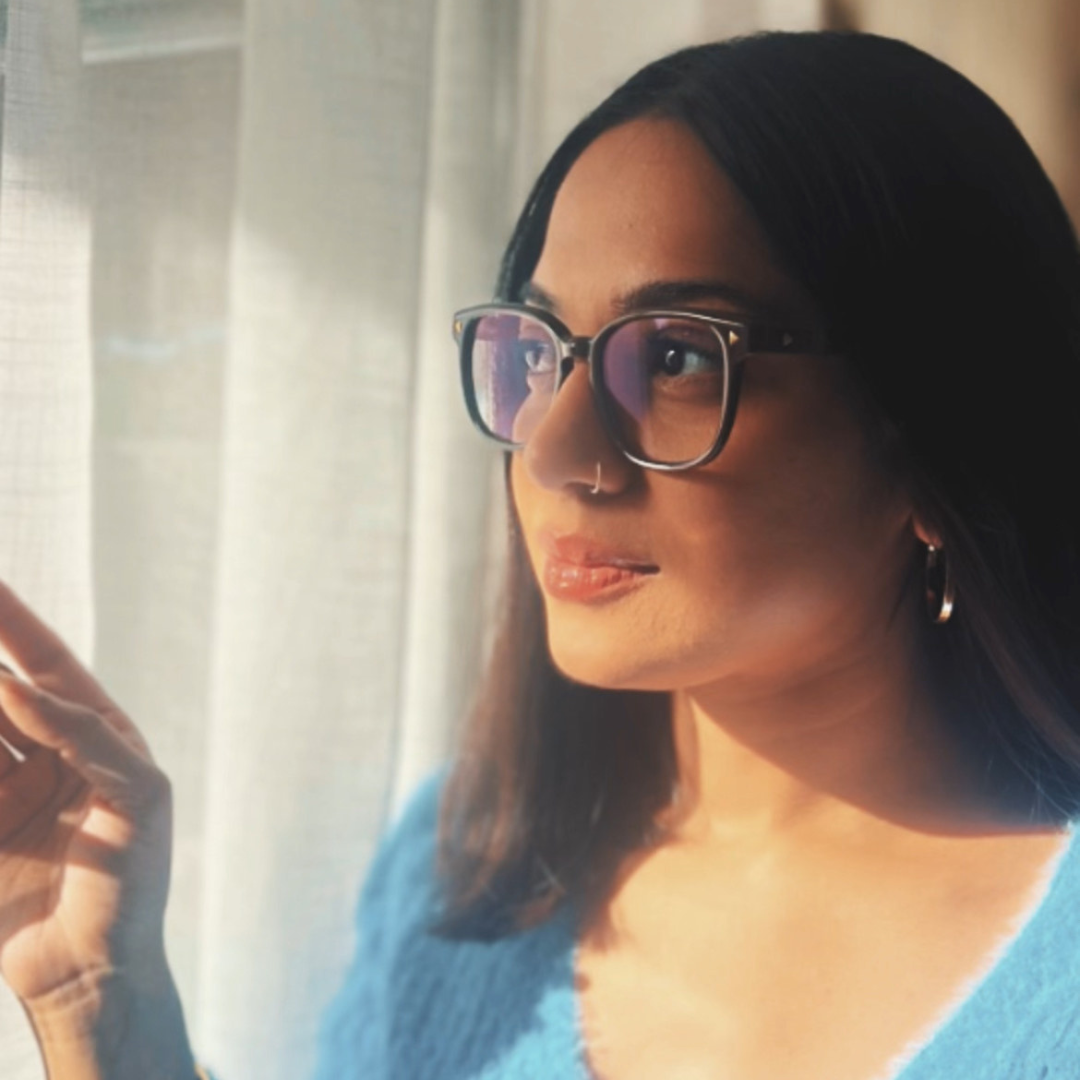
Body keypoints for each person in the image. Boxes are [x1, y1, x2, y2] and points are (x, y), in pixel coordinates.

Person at [1, 28, 1079, 1080]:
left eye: (675, 358)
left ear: (934, 436)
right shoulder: (456, 877)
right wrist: (104, 1010)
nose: (555, 450)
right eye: (542, 352)